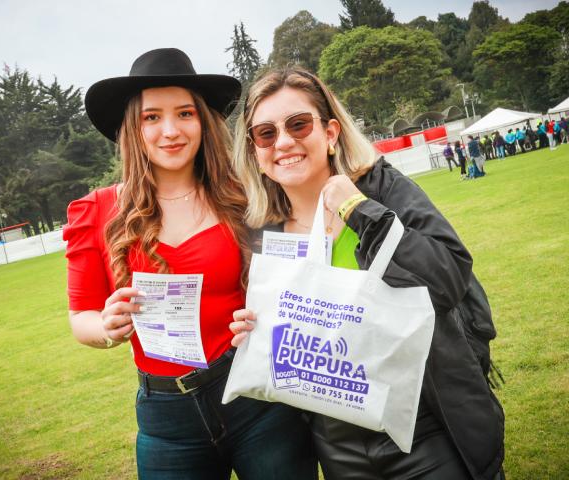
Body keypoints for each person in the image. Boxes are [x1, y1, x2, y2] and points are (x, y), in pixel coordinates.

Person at [229, 67, 504, 480]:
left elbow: (447, 278)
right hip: (337, 440)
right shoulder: (262, 233)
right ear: (255, 151)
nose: (284, 142)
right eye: (266, 133)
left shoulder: (379, 189)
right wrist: (254, 329)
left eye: (298, 124)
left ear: (331, 132)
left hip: (425, 422)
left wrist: (357, 210)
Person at [63, 49, 317, 480]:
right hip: (167, 422)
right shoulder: (96, 211)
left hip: (258, 398)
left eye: (184, 113)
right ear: (133, 128)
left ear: (202, 120)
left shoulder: (245, 195)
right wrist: (105, 326)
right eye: (151, 117)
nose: (170, 131)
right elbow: (79, 317)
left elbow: (295, 278)